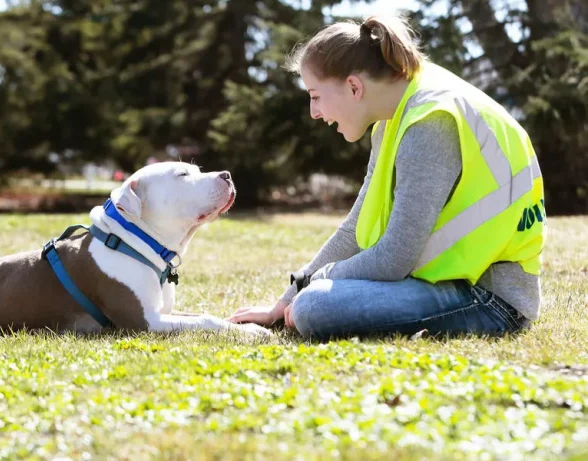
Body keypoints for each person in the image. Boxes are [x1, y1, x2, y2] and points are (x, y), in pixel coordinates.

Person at [226, 15, 546, 340]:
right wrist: (286, 299)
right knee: (309, 300)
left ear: (353, 86)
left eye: (315, 95)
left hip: (489, 300)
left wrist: (318, 282)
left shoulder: (430, 122)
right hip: (450, 285)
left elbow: (394, 258)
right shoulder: (394, 119)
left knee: (314, 308)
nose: (314, 112)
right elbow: (354, 230)